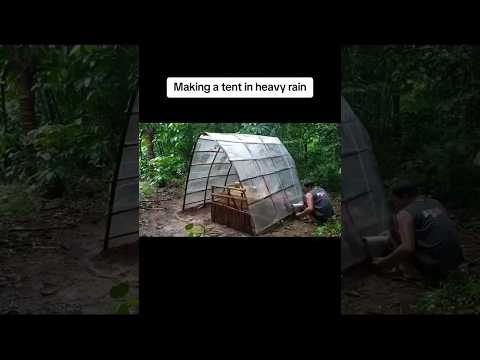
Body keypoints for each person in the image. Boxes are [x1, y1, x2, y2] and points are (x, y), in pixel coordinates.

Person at [372, 182, 464, 282]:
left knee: (394, 231)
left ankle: (410, 272)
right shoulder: (435, 202)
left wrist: (384, 262)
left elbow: (407, 248)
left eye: (395, 200)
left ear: (404, 196)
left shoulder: (404, 214)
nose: (395, 203)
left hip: (435, 266)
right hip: (456, 261)